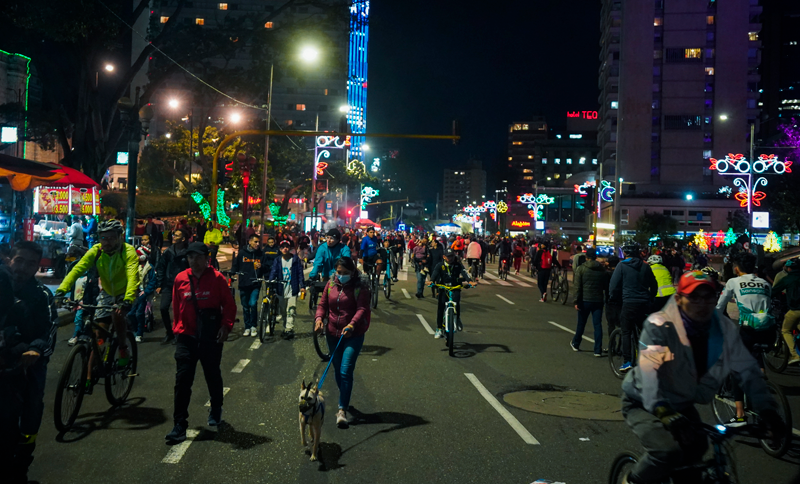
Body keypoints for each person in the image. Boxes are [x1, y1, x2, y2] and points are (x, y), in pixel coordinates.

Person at [619, 271, 785, 484]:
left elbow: (748, 371)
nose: (702, 304)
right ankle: (631, 481)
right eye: (694, 297)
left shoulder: (723, 329)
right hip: (644, 401)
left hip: (682, 402)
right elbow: (649, 373)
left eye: (708, 297)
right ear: (679, 299)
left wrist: (769, 413)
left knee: (698, 451)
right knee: (666, 451)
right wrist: (662, 410)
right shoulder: (660, 326)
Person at [165, 242, 236, 444]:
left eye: (197, 257)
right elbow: (176, 307)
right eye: (190, 257)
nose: (193, 261)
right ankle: (179, 424)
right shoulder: (181, 279)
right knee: (182, 382)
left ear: (207, 259)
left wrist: (226, 326)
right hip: (186, 338)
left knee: (212, 375)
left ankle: (216, 407)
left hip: (210, 337)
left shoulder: (217, 279)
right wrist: (177, 331)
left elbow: (229, 306)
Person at [0, 242, 58, 483]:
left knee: (31, 405)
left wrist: (35, 349)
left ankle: (22, 458)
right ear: (10, 259)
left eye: (30, 263)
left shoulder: (41, 295)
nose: (23, 267)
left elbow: (48, 331)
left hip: (24, 362)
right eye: (19, 260)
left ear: (37, 267)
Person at [56, 219, 139, 385]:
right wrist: (61, 290)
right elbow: (78, 268)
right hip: (107, 292)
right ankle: (87, 378)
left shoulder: (128, 252)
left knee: (117, 314)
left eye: (110, 238)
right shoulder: (96, 251)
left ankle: (123, 348)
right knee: (98, 335)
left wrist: (128, 300)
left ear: (119, 237)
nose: (106, 242)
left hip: (125, 292)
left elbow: (132, 276)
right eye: (103, 238)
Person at [714, 252, 775, 426]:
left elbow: (719, 306)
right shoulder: (764, 283)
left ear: (737, 268)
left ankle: (740, 414)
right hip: (769, 331)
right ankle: (762, 382)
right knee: (755, 352)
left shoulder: (734, 282)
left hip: (749, 330)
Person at [313, 257, 370, 428]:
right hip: (332, 333)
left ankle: (342, 409)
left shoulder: (360, 286)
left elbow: (362, 308)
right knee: (338, 370)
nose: (342, 276)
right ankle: (344, 396)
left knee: (345, 370)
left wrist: (351, 325)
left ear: (352, 272)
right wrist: (318, 319)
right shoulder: (330, 285)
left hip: (353, 334)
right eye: (339, 272)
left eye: (346, 273)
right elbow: (322, 305)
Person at [609, 247, 657, 372]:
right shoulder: (645, 266)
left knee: (626, 332)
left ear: (625, 253)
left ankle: (627, 361)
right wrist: (651, 298)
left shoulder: (622, 266)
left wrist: (613, 298)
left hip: (629, 302)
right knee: (644, 331)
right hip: (644, 303)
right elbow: (654, 285)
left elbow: (613, 286)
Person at [570, 248, 608, 356]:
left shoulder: (581, 269)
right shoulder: (601, 269)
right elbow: (605, 285)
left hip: (584, 300)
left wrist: (576, 300)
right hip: (598, 300)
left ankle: (576, 343)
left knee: (581, 323)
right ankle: (598, 350)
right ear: (595, 257)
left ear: (586, 258)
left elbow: (577, 286)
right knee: (597, 325)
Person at [154, 228, 190, 345]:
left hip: (183, 285)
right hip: (168, 284)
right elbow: (161, 268)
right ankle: (169, 332)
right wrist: (159, 284)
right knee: (163, 308)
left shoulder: (188, 252)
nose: (174, 236)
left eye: (177, 235)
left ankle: (178, 333)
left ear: (183, 239)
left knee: (180, 311)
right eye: (174, 235)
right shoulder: (168, 252)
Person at [430, 248, 473, 339]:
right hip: (443, 288)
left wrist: (469, 281)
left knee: (456, 303)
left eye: (452, 256)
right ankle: (439, 328)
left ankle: (457, 319)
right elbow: (435, 274)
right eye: (448, 257)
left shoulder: (458, 265)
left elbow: (464, 273)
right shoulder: (440, 265)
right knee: (441, 308)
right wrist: (431, 281)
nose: (450, 258)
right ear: (444, 257)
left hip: (455, 287)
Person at [268, 240, 305, 338]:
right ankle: (285, 327)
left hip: (292, 288)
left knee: (291, 310)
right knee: (283, 311)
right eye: (283, 247)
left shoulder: (295, 259)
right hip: (281, 288)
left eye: (287, 247)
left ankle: (289, 329)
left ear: (290, 248)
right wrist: (270, 281)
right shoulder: (278, 260)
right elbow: (274, 271)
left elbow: (300, 273)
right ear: (280, 249)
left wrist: (302, 286)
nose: (285, 249)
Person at [231, 234, 263, 337]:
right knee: (245, 307)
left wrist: (261, 267)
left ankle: (253, 326)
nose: (257, 244)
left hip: (255, 283)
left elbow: (267, 267)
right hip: (244, 283)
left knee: (253, 304)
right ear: (250, 242)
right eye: (255, 242)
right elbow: (236, 265)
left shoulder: (261, 254)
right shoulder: (242, 253)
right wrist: (231, 273)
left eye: (258, 242)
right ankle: (247, 327)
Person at [771, 258, 800, 366]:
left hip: (795, 310)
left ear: (789, 268)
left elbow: (774, 291)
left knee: (786, 330)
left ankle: (795, 355)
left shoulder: (788, 278)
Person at [128, 246, 158, 343]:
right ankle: (135, 330)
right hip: (135, 292)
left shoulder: (149, 268)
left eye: (138, 255)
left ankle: (139, 333)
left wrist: (146, 292)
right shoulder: (134, 266)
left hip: (144, 294)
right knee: (131, 314)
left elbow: (152, 281)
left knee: (140, 313)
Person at [605, 255, 622, 339]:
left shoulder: (607, 274)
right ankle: (621, 346)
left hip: (610, 302)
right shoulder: (621, 273)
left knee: (611, 325)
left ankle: (612, 346)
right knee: (621, 324)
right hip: (620, 301)